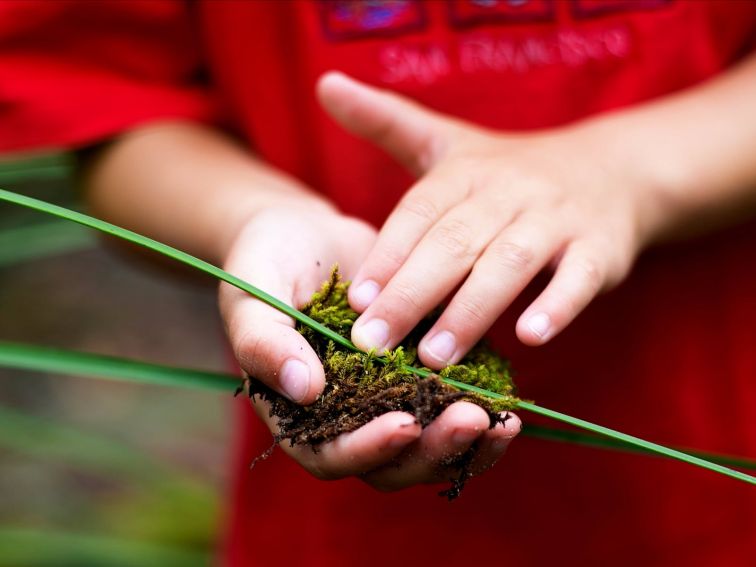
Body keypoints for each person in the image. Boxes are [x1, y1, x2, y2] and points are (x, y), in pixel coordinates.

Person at [2, 1, 756, 565]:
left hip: (713, 480)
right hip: (340, 529)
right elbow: (111, 111)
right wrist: (253, 216)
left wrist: (630, 173)